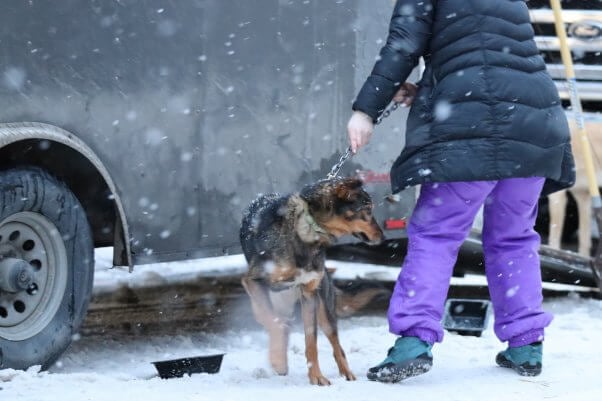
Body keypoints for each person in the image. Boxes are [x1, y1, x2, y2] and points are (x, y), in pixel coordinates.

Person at [347, 0, 575, 383]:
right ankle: (525, 342)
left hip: (469, 124)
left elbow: (403, 46)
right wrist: (429, 88)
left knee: (436, 234)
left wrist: (365, 110)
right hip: (535, 121)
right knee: (514, 237)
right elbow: (489, 56)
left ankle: (413, 343)